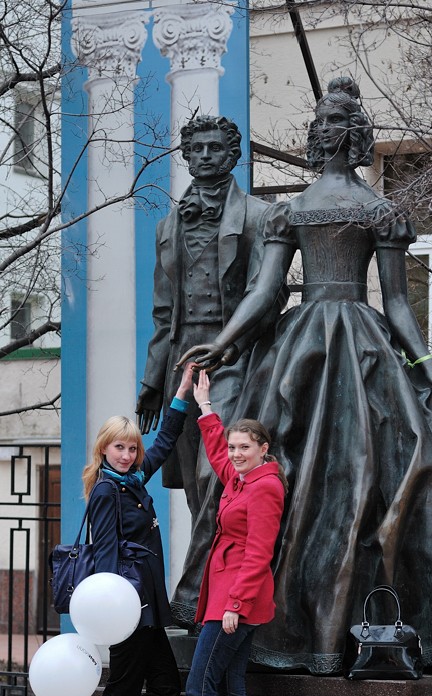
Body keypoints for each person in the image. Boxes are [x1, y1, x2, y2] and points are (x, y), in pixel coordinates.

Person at [177, 76, 432, 676]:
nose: (328, 133)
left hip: (365, 345)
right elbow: (267, 289)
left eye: (339, 126)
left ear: (354, 138)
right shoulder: (289, 211)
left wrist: (426, 366)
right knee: (287, 473)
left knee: (395, 465)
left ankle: (377, 624)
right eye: (322, 124)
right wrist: (221, 343)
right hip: (302, 350)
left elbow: (398, 302)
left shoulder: (381, 211)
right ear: (316, 137)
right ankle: (279, 619)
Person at [136, 114, 286, 629]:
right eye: (195, 148)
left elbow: (266, 296)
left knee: (215, 468)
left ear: (232, 155)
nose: (204, 156)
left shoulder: (262, 216)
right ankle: (207, 589)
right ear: (186, 155)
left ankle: (195, 592)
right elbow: (162, 311)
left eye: (214, 148)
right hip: (182, 357)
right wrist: (152, 380)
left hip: (234, 355)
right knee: (199, 488)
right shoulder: (167, 225)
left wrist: (230, 346)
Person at [168, 370, 286, 696]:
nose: (236, 454)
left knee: (199, 689)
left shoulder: (266, 488)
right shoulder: (242, 478)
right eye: (235, 447)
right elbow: (218, 455)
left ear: (263, 450)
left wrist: (235, 605)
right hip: (228, 599)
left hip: (236, 603)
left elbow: (259, 554)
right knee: (231, 693)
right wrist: (207, 409)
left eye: (245, 448)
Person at [84, 363, 195, 696]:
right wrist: (121, 611)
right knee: (124, 693)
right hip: (127, 609)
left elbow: (165, 441)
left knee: (162, 688)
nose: (128, 455)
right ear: (104, 449)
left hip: (145, 608)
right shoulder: (106, 492)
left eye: (132, 448)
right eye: (119, 448)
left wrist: (182, 393)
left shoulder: (131, 481)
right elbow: (106, 558)